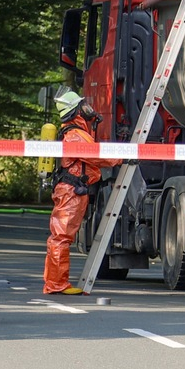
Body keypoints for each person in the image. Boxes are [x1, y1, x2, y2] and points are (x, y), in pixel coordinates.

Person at [43, 89, 122, 295]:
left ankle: (55, 282)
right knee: (61, 236)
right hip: (71, 191)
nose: (89, 108)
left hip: (73, 189)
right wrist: (122, 156)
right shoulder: (75, 136)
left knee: (61, 236)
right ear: (77, 111)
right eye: (83, 105)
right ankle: (56, 284)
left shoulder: (77, 133)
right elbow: (96, 156)